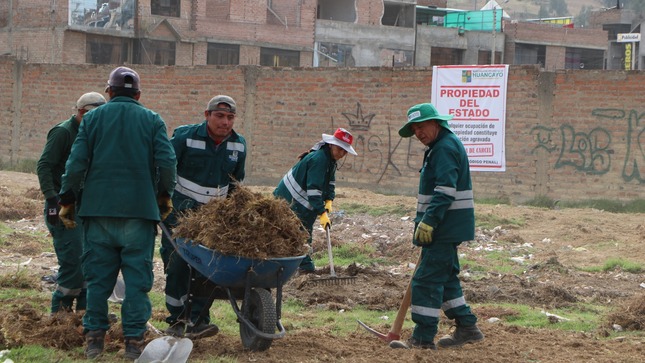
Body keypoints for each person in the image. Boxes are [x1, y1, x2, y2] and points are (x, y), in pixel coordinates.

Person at [58, 66, 177, 360]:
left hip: (97, 213)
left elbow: (75, 165)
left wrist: (68, 199)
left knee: (98, 280)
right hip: (139, 214)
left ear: (109, 92)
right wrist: (164, 195)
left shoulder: (93, 118)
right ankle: (134, 344)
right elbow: (167, 162)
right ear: (138, 94)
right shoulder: (152, 120)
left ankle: (94, 341)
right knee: (137, 283)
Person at [397, 103, 484, 350]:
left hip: (443, 227)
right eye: (414, 130)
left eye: (421, 127)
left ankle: (422, 339)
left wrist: (429, 221)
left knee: (425, 281)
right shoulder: (440, 145)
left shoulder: (444, 147)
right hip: (446, 227)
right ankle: (467, 327)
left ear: (436, 122)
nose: (418, 133)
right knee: (445, 279)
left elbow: (445, 190)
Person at [160, 95, 246, 339]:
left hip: (212, 219)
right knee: (177, 264)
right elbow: (164, 168)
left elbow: (236, 186)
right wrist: (161, 201)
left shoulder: (238, 145)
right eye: (219, 116)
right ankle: (176, 319)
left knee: (206, 267)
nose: (225, 122)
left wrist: (231, 216)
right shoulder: (185, 137)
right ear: (207, 115)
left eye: (230, 117)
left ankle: (199, 320)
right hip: (180, 214)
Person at [36, 91, 106, 314]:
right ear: (81, 113)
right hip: (64, 205)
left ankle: (84, 315)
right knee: (72, 260)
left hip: (87, 206)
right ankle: (60, 316)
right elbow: (44, 166)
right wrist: (52, 200)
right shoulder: (64, 133)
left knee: (89, 261)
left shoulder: (95, 135)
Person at [273, 127, 357, 273]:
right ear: (331, 144)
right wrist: (321, 212)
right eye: (340, 149)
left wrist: (329, 199)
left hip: (302, 201)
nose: (342, 153)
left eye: (345, 151)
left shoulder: (330, 160)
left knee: (302, 231)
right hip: (289, 199)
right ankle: (304, 268)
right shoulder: (319, 160)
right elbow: (314, 190)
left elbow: (330, 181)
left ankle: (299, 265)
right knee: (300, 232)